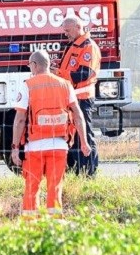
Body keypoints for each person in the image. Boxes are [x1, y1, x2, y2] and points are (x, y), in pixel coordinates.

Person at [10, 50, 92, 218]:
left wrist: (15, 147)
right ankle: (55, 225)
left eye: (29, 65)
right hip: (59, 146)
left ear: (34, 65)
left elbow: (19, 119)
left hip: (34, 147)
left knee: (32, 187)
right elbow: (77, 114)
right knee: (55, 187)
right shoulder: (65, 84)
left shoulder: (28, 85)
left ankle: (30, 225)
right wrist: (84, 142)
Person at [56, 15, 102, 176]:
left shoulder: (88, 47)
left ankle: (89, 173)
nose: (65, 33)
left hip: (82, 98)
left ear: (77, 27)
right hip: (71, 98)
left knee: (85, 136)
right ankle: (77, 171)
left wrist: (60, 73)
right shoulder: (73, 45)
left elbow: (84, 74)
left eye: (67, 30)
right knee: (73, 136)